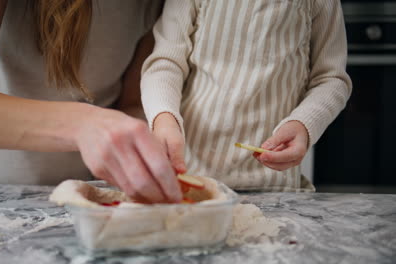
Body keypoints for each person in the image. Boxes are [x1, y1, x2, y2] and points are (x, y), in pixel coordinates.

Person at [0, 0, 182, 203]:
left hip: (73, 195)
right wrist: (84, 124)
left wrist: (146, 143)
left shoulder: (159, 4)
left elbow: (132, 102)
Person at [141, 0, 352, 191]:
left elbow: (331, 79)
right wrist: (164, 119)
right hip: (192, 179)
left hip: (275, 187)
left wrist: (303, 124)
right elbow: (166, 64)